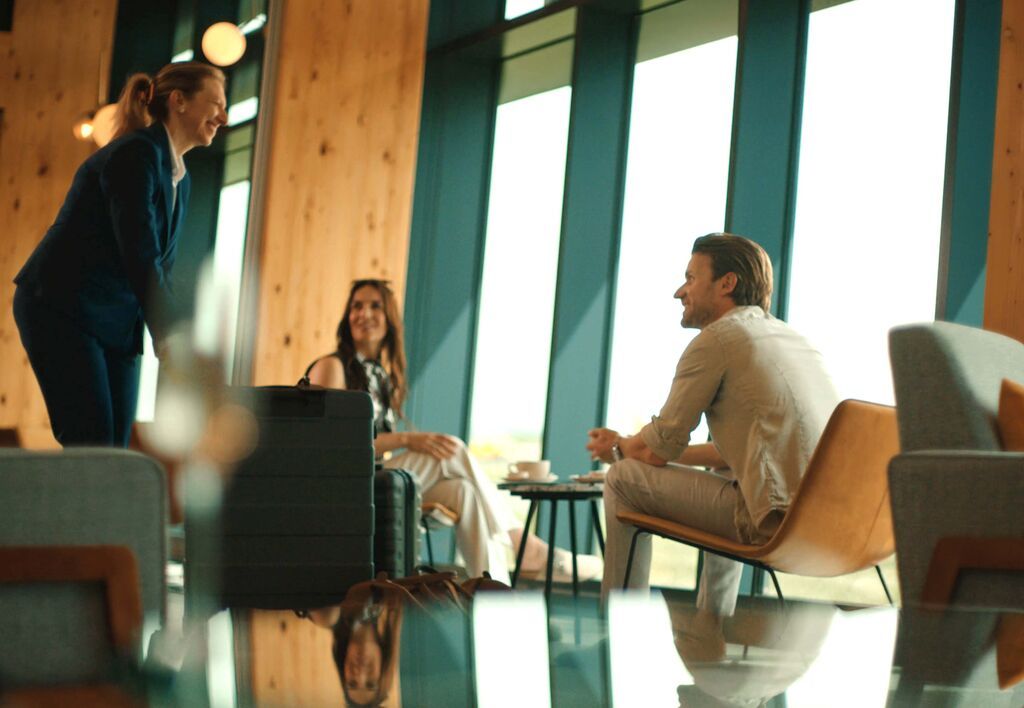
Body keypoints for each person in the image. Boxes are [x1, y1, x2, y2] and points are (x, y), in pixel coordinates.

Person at [586, 233, 839, 614]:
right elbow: (742, 448)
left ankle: (616, 630)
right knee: (724, 467)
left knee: (623, 479)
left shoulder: (718, 340)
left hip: (775, 521)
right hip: (829, 522)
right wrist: (634, 446)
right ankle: (711, 631)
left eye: (690, 278)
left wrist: (620, 449)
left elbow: (656, 450)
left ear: (727, 283)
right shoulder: (789, 339)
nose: (679, 292)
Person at [306, 278, 602, 583]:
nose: (364, 313)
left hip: (379, 481)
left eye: (375, 306)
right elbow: (335, 445)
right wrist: (408, 439)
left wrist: (407, 442)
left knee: (465, 492)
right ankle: (525, 545)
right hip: (345, 485)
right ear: (347, 315)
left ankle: (490, 588)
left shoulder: (379, 374)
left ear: (390, 320)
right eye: (357, 306)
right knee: (452, 449)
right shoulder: (333, 366)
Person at [13, 62, 228, 447]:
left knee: (115, 449)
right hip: (62, 308)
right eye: (215, 103)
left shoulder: (182, 177)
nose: (223, 117)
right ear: (178, 101)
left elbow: (163, 269)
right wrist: (166, 337)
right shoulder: (136, 154)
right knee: (91, 443)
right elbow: (140, 249)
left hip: (114, 321)